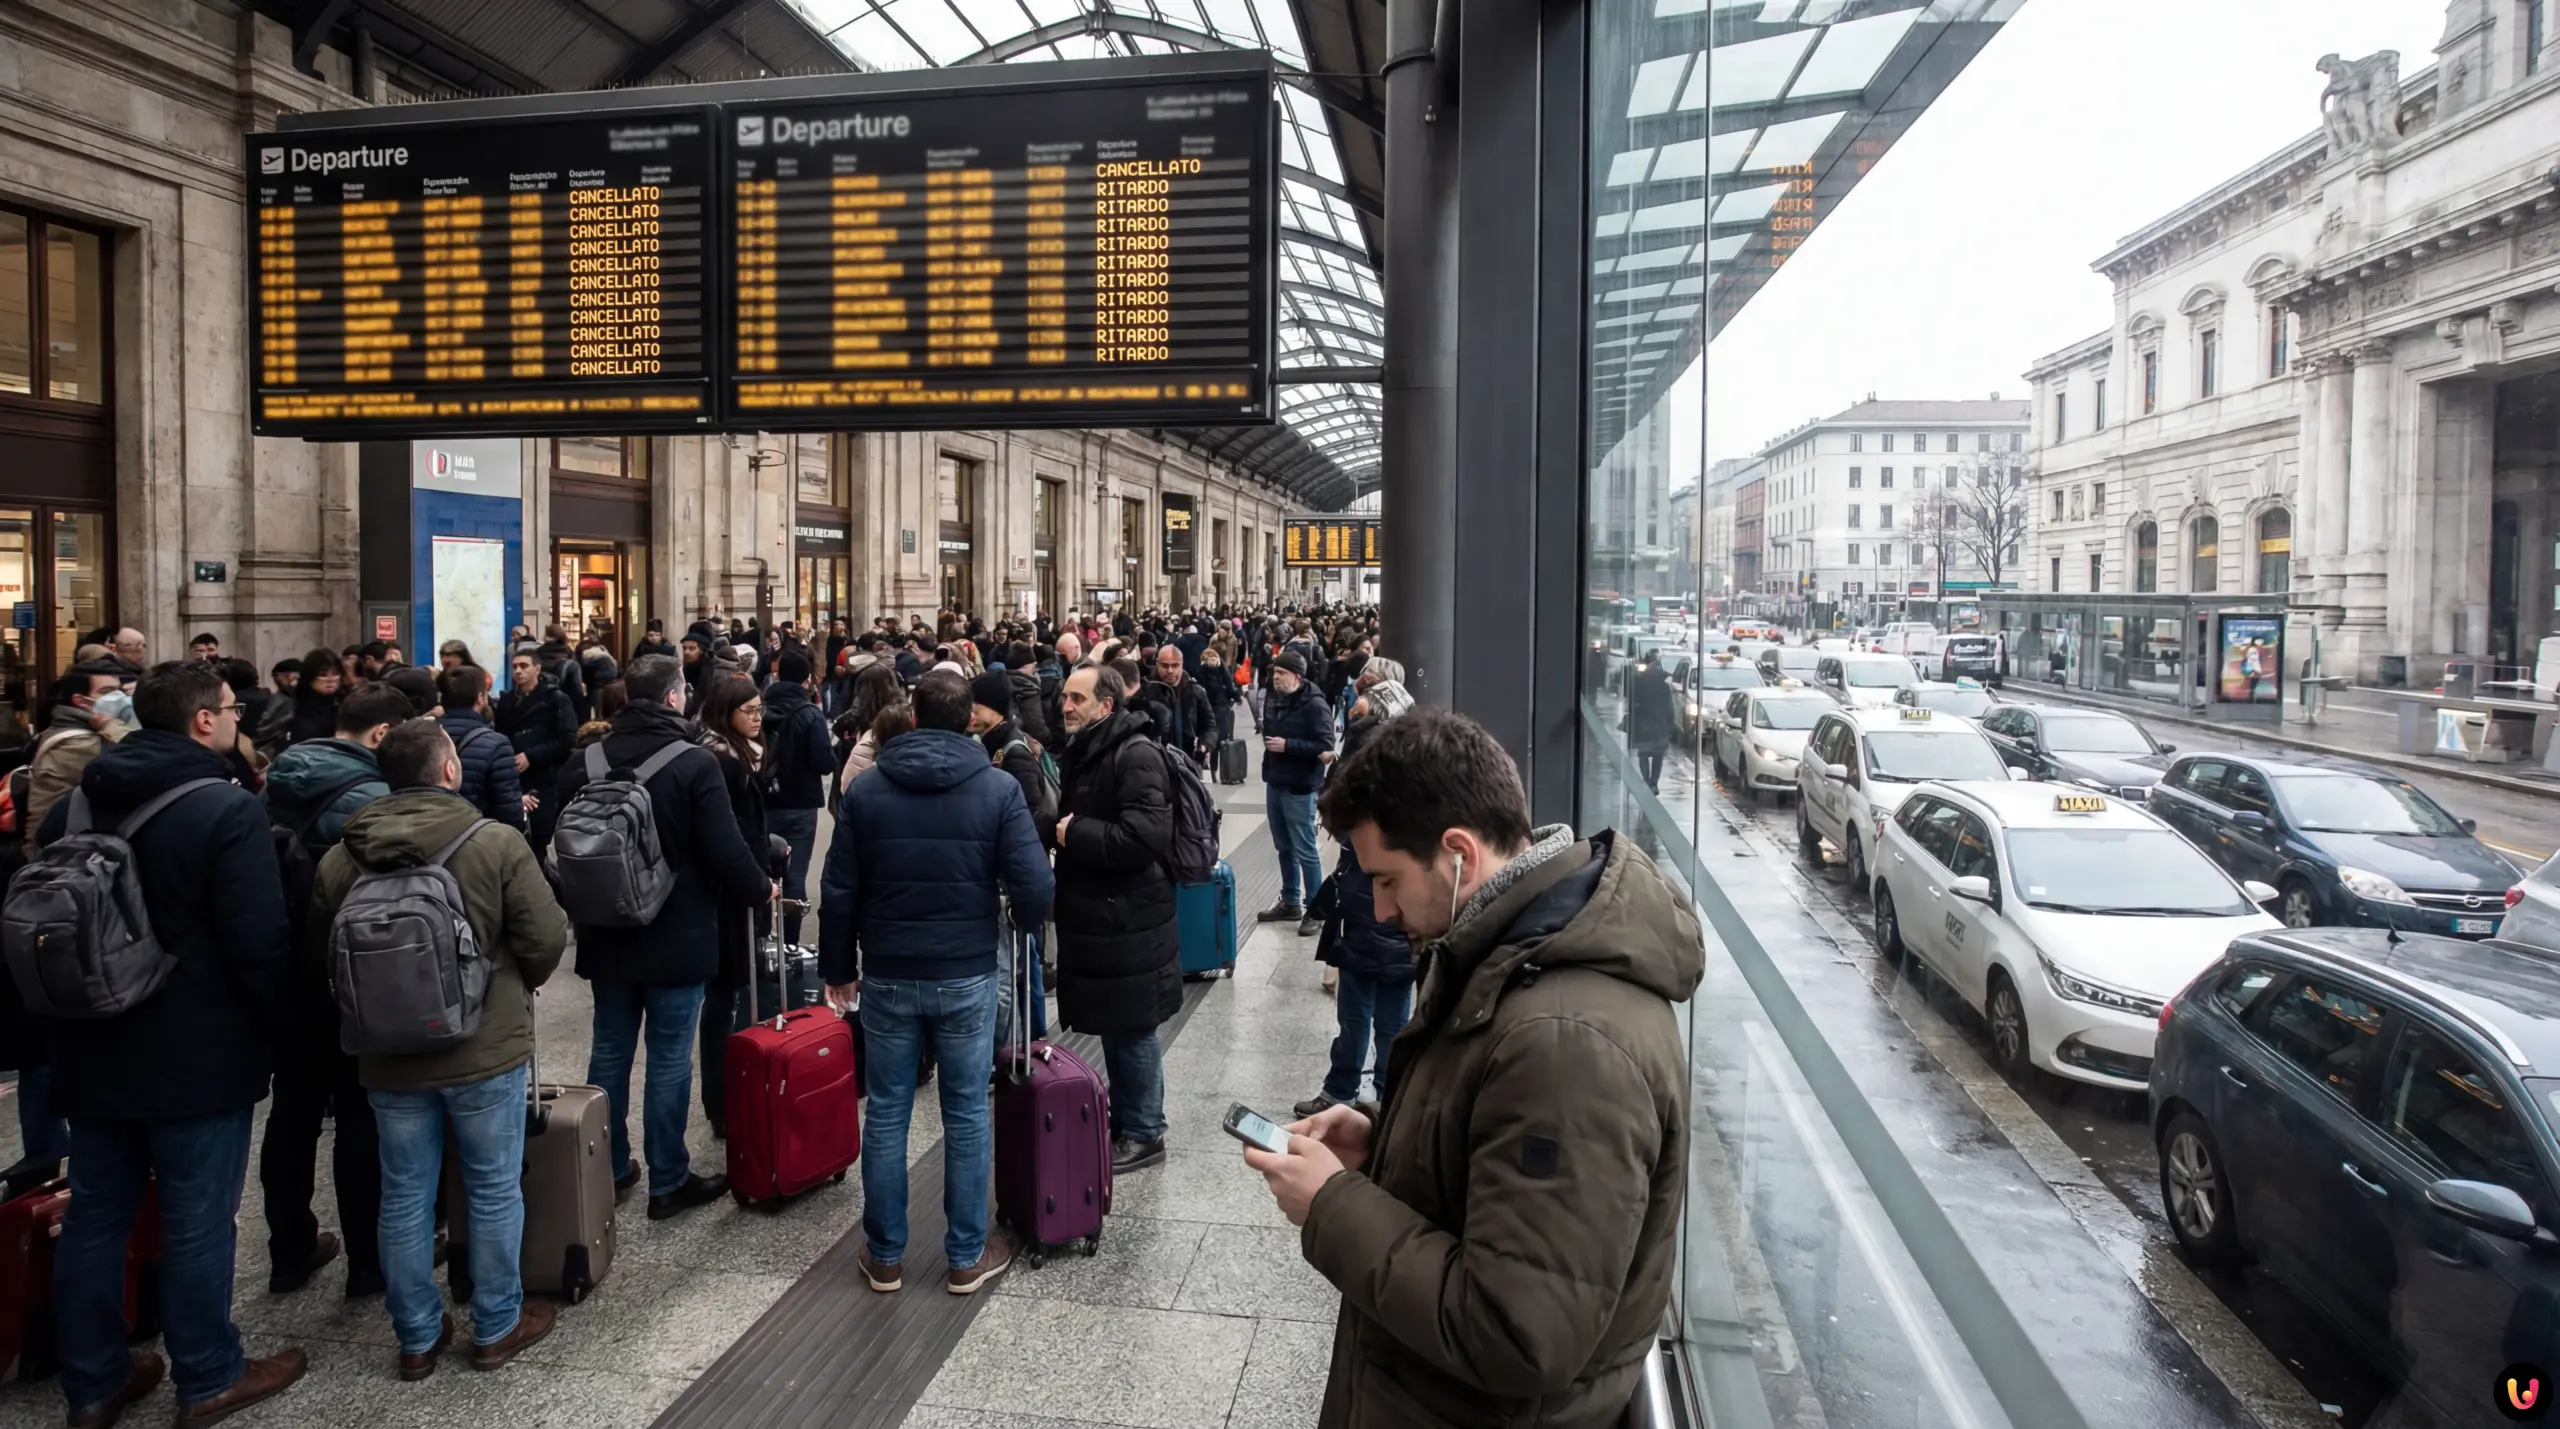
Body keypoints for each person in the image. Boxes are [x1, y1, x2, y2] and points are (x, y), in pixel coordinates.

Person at [1240, 709, 1702, 1427]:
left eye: (1389, 880)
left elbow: (1519, 1332)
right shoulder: (1508, 955)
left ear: (1459, 851)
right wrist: (1380, 1143)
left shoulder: (1566, 1043)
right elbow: (1493, 1154)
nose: (1384, 911)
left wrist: (1333, 1205)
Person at [35, 662, 309, 1427]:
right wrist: (278, 1029)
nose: (235, 720)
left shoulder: (75, 804)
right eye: (228, 709)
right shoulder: (223, 810)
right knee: (195, 1215)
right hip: (197, 1050)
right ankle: (208, 1373)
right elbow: (259, 941)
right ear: (201, 722)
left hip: (90, 1041)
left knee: (95, 1213)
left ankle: (92, 1380)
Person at [308, 717, 570, 1379]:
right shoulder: (495, 842)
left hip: (386, 1053)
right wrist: (510, 985)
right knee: (490, 1185)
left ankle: (417, 1335)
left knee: (402, 1194)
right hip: (484, 1046)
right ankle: (496, 1322)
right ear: (449, 769)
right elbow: (545, 936)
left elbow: (323, 956)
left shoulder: (343, 855)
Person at [822, 671, 1049, 1296]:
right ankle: (965, 1255)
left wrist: (838, 968)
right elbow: (1034, 885)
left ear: (914, 718)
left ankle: (886, 1255)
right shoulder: (998, 787)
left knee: (888, 1111)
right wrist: (1024, 922)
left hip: (890, 971)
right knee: (968, 1111)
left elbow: (838, 888)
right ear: (969, 720)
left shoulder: (867, 790)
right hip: (965, 970)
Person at [557, 655, 772, 1219]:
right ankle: (668, 1179)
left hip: (605, 930)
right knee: (670, 1057)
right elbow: (726, 849)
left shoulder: (586, 759)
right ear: (675, 698)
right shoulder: (694, 763)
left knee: (609, 1049)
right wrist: (761, 891)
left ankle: (604, 1165)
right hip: (677, 930)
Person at [256, 681, 411, 1305]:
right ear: (380, 735)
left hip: (289, 973)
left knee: (291, 1113)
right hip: (353, 975)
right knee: (359, 1116)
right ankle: (368, 1263)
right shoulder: (373, 798)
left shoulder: (277, 780)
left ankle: (288, 1250)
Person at [1049, 666, 1179, 1174]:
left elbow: (1145, 836)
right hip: (1105, 914)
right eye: (1064, 696)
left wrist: (1073, 832)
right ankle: (1126, 1121)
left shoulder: (1135, 753)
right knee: (1116, 1023)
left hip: (1129, 915)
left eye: (1077, 698)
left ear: (1106, 706)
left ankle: (1147, 1131)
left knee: (1135, 1027)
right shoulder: (1090, 748)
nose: (1066, 706)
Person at [1293, 673, 1416, 1118]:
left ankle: (1342, 1090)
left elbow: (1334, 814)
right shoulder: (1417, 773)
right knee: (1393, 1019)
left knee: (1357, 1015)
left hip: (1365, 914)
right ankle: (1388, 1094)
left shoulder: (1365, 764)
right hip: (1400, 922)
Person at [691, 674, 770, 1141]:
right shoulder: (723, 760)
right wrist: (757, 880)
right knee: (724, 995)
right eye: (750, 712)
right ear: (727, 712)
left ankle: (723, 1093)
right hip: (729, 892)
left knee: (727, 994)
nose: (759, 720)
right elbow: (730, 834)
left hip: (731, 887)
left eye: (761, 710)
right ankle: (721, 1098)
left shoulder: (726, 751)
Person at [969, 672, 1053, 1039]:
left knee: (1015, 964)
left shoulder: (1011, 751)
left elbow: (1033, 814)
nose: (970, 713)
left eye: (977, 706)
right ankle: (1033, 1033)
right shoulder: (991, 741)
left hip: (1012, 875)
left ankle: (1013, 1045)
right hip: (1011, 871)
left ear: (996, 709)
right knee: (1024, 959)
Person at [1255, 651, 1334, 935]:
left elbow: (1326, 744)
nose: (1275, 677)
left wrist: (1289, 745)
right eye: (1274, 673)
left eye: (1281, 673)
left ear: (1296, 677)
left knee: (1305, 849)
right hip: (1275, 781)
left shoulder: (1315, 705)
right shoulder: (1276, 697)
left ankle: (1315, 907)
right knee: (1283, 846)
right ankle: (1291, 901)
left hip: (1300, 786)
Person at [761, 650, 832, 948]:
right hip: (801, 803)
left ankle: (762, 938)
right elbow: (824, 763)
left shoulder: (759, 710)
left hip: (765, 799)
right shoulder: (810, 714)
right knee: (796, 873)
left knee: (761, 870)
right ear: (806, 680)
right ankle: (790, 943)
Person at [22, 660, 129, 857]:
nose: (119, 698)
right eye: (107, 692)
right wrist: (114, 726)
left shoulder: (72, 727)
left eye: (120, 691)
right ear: (81, 701)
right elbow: (133, 756)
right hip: (62, 856)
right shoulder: (81, 742)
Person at [430, 665, 525, 831]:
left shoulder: (422, 735)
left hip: (428, 835)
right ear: (480, 698)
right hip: (475, 837)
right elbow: (509, 812)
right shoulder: (496, 744)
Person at [494, 651, 574, 849]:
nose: (518, 671)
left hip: (545, 777)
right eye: (514, 667)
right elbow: (500, 735)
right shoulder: (506, 701)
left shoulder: (555, 699)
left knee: (542, 835)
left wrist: (531, 756)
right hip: (514, 776)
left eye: (524, 666)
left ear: (537, 668)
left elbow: (567, 738)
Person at [259, 647, 347, 755]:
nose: (331, 679)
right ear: (310, 676)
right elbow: (265, 738)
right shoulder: (290, 704)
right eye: (323, 674)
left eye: (336, 673)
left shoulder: (345, 703)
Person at [1146, 644, 1212, 768]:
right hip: (1156, 763)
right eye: (1165, 665)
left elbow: (1209, 726)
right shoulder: (1147, 691)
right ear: (1157, 664)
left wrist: (1204, 745)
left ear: (1181, 664)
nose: (1170, 671)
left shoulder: (1195, 691)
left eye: (1175, 665)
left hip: (1188, 762)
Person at [1619, 655, 1676, 792]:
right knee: (1658, 755)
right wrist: (1670, 724)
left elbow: (1632, 701)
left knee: (1644, 754)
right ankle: (1654, 782)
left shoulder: (1639, 683)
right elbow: (1669, 707)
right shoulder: (1664, 687)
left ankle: (1646, 780)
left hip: (1643, 724)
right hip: (1659, 725)